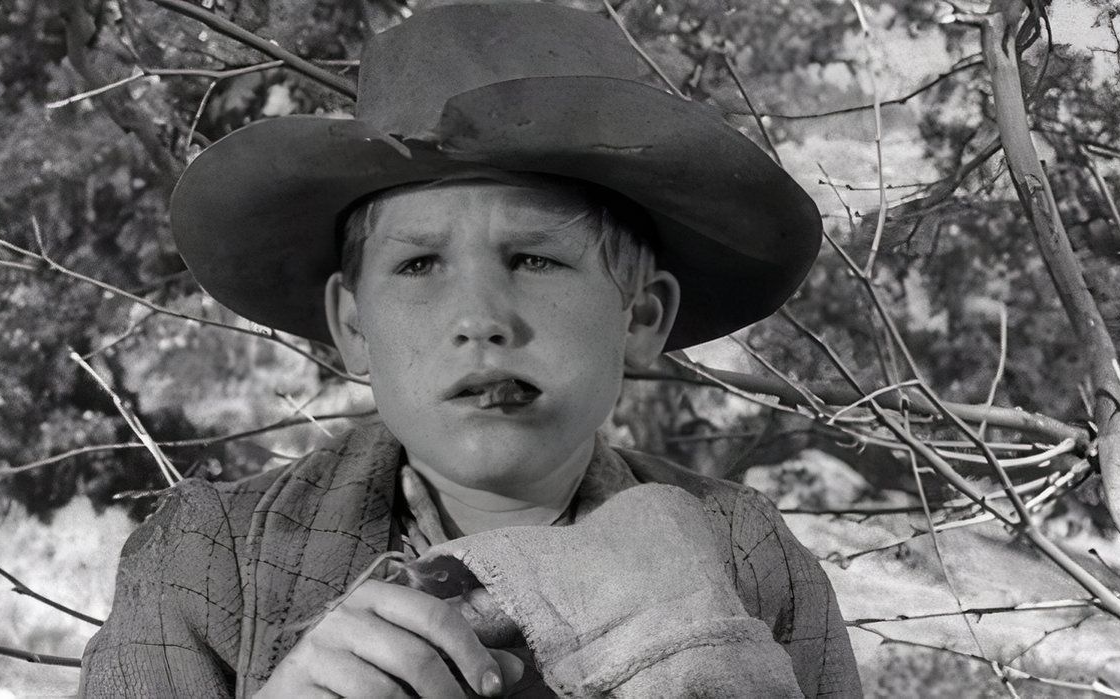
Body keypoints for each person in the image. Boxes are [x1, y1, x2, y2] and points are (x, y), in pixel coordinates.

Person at [79, 2, 862, 697]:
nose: (481, 320)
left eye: (534, 259)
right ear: (353, 325)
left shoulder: (746, 559)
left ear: (642, 314)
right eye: (419, 265)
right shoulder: (212, 564)